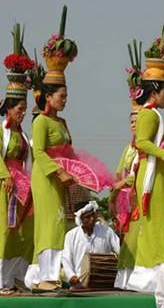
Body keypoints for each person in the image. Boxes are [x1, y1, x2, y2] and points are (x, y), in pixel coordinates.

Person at [127, 64, 164, 292]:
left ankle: (154, 274)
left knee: (159, 222)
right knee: (156, 222)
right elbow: (141, 142)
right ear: (154, 92)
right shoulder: (148, 114)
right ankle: (151, 275)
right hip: (150, 175)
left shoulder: (154, 115)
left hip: (157, 174)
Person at [28, 78, 75, 291]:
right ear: (48, 97)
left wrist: (76, 173)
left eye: (66, 97)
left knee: (58, 226)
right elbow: (38, 151)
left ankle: (50, 275)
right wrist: (58, 171)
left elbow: (68, 151)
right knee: (48, 224)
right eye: (61, 96)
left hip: (60, 178)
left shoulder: (62, 122)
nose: (64, 100)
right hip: (46, 177)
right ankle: (43, 276)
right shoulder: (41, 122)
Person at [0, 77, 34, 290]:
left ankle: (18, 275)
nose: (23, 113)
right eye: (20, 109)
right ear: (9, 109)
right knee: (5, 231)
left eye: (25, 109)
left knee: (26, 231)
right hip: (5, 187)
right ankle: (2, 279)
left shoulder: (23, 135)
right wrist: (6, 175)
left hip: (22, 187)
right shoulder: (1, 132)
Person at [110, 104, 141, 289]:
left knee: (135, 240)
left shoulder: (146, 148)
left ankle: (135, 279)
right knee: (125, 240)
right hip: (125, 202)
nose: (134, 125)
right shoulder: (128, 149)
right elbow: (118, 175)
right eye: (131, 121)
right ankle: (124, 281)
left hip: (139, 200)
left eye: (137, 121)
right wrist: (112, 197)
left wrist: (124, 183)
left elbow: (140, 173)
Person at [62, 201, 120, 288]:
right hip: (79, 284)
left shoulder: (107, 231)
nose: (92, 219)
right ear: (80, 219)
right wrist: (71, 276)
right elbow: (66, 259)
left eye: (93, 215)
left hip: (104, 284)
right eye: (87, 217)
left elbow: (120, 250)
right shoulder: (71, 235)